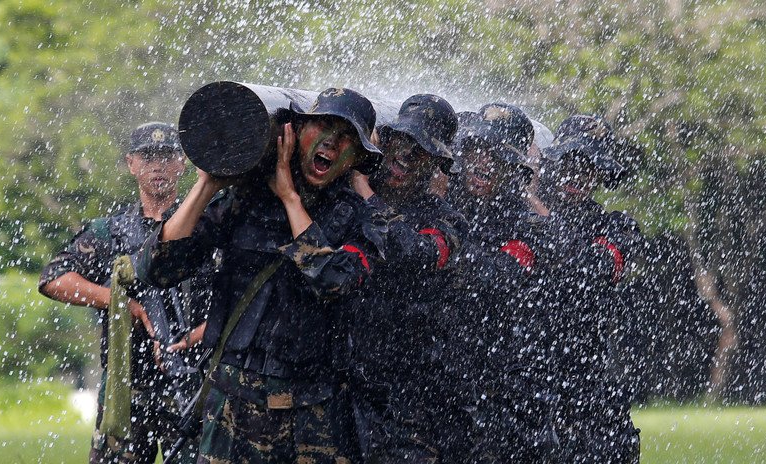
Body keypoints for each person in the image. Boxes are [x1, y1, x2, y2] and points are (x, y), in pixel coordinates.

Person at [135, 88, 385, 463]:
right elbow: (158, 268)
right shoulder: (246, 198)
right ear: (295, 133)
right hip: (231, 406)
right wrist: (206, 185)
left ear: (357, 157)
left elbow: (333, 281)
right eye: (323, 125)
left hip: (312, 415)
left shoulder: (359, 217)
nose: (331, 142)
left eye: (346, 136)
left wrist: (290, 199)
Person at [38, 122, 204, 463]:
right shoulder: (110, 232)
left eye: (166, 156)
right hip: (127, 389)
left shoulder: (205, 225)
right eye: (148, 157)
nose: (157, 165)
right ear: (131, 164)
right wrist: (122, 303)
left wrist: (199, 333)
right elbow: (53, 279)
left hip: (193, 387)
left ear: (181, 164)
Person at [349, 94, 468, 462]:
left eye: (418, 152)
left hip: (409, 394)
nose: (404, 158)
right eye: (400, 144)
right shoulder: (345, 198)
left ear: (435, 164)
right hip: (345, 382)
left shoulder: (446, 220)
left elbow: (415, 254)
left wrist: (367, 195)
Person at [445, 104, 560, 463]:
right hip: (444, 387)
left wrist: (439, 245)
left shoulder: (526, 224)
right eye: (476, 149)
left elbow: (494, 275)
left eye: (495, 155)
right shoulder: (445, 202)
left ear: (511, 169)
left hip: (503, 397)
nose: (482, 162)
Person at [537, 114, 644, 463]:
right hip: (526, 375)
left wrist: (537, 211)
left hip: (585, 381)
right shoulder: (517, 212)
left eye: (589, 167)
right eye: (571, 162)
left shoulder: (614, 228)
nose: (578, 176)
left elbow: (586, 271)